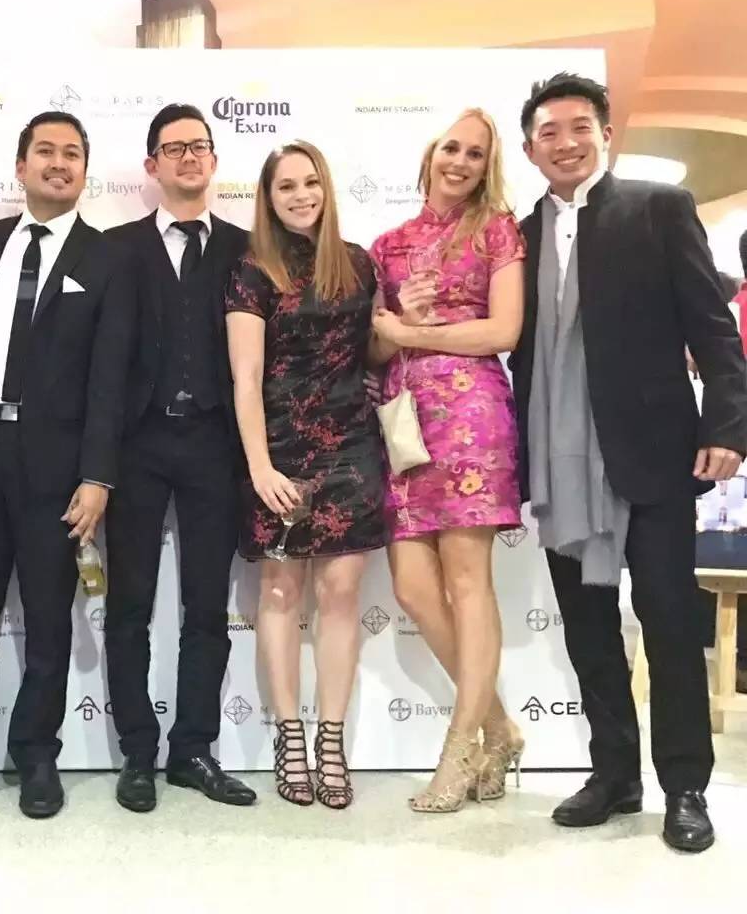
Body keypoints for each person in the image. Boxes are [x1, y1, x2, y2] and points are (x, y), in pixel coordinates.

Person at [510, 72, 747, 853]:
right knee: (587, 629)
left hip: (652, 454)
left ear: (605, 135)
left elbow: (713, 330)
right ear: (530, 149)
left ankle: (685, 787)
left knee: (670, 622)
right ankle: (614, 774)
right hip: (558, 462)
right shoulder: (519, 236)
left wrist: (729, 425)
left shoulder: (658, 208)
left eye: (580, 127)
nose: (566, 143)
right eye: (549, 132)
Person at [0, 111, 132, 820]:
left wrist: (98, 475)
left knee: (50, 619)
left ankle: (36, 755)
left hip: (58, 463)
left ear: (85, 170)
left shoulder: (107, 257)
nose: (58, 163)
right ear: (20, 167)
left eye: (71, 154)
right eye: (44, 151)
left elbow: (111, 375)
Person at [368, 109, 525, 812]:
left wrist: (414, 333)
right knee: (411, 587)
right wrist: (399, 324)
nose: (460, 161)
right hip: (404, 424)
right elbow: (375, 348)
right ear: (431, 155)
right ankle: (499, 727)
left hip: (472, 419)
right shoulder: (388, 245)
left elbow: (504, 330)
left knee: (468, 581)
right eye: (452, 148)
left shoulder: (497, 230)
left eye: (475, 154)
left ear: (488, 167)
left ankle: (460, 749)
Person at [103, 104, 255, 813]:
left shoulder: (248, 249)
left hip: (214, 445)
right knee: (128, 605)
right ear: (152, 166)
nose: (189, 157)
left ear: (214, 161)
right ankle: (137, 752)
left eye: (200, 146)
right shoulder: (116, 248)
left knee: (206, 607)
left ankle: (193, 748)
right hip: (136, 445)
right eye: (174, 148)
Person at [226, 141, 386, 809]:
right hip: (280, 450)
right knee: (281, 591)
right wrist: (259, 465)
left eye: (310, 182)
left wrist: (402, 327)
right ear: (268, 198)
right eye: (286, 186)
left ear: (326, 188)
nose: (300, 195)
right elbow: (244, 378)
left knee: (342, 592)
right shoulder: (252, 271)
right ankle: (289, 735)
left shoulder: (359, 263)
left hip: (352, 444)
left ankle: (331, 740)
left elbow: (372, 352)